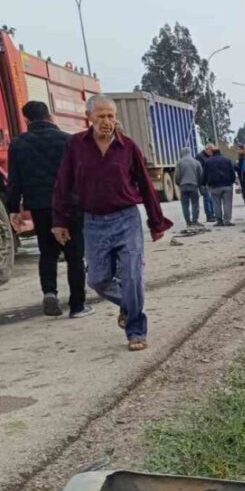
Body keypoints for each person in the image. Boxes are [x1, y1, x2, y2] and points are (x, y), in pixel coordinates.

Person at [51, 94, 173, 351]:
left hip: (126, 218)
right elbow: (63, 183)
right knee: (97, 279)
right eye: (101, 116)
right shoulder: (75, 145)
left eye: (110, 116)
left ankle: (136, 331)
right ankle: (129, 307)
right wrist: (59, 220)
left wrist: (156, 221)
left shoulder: (128, 146)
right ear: (89, 118)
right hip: (93, 222)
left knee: (131, 275)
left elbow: (145, 185)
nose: (107, 121)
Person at [5, 100, 92, 318]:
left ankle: (50, 292)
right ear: (50, 116)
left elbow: (14, 181)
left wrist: (13, 209)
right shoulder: (68, 140)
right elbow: (81, 176)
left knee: (47, 252)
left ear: (26, 120)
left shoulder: (18, 144)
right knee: (74, 255)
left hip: (40, 206)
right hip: (70, 206)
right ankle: (77, 305)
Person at [203, 147, 237, 226]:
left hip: (214, 186)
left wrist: (205, 183)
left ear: (212, 153)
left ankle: (219, 221)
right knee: (227, 203)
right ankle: (227, 220)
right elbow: (232, 173)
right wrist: (232, 181)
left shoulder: (208, 162)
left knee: (216, 204)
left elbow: (205, 174)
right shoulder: (227, 160)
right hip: (227, 185)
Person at [173, 147, 204, 226]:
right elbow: (200, 175)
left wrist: (179, 183)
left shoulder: (179, 163)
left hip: (183, 186)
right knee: (195, 204)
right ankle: (195, 220)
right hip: (194, 186)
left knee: (185, 205)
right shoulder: (196, 162)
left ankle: (188, 221)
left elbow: (176, 176)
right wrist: (198, 184)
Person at [196, 143, 217, 223]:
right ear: (207, 149)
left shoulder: (210, 156)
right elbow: (199, 170)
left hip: (209, 180)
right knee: (207, 198)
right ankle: (209, 215)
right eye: (211, 151)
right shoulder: (199, 157)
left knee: (211, 198)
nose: (212, 153)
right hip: (203, 181)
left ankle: (212, 214)